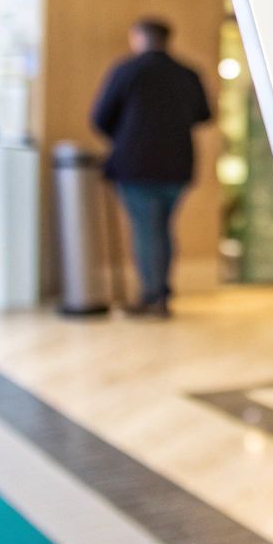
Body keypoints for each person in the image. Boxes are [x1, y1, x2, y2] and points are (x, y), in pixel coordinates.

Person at [91, 17, 213, 319]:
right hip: (177, 165)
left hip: (137, 164)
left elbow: (100, 117)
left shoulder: (128, 70)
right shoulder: (187, 73)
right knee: (162, 230)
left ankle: (153, 295)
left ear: (138, 38)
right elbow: (204, 114)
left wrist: (127, 135)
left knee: (147, 230)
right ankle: (160, 291)